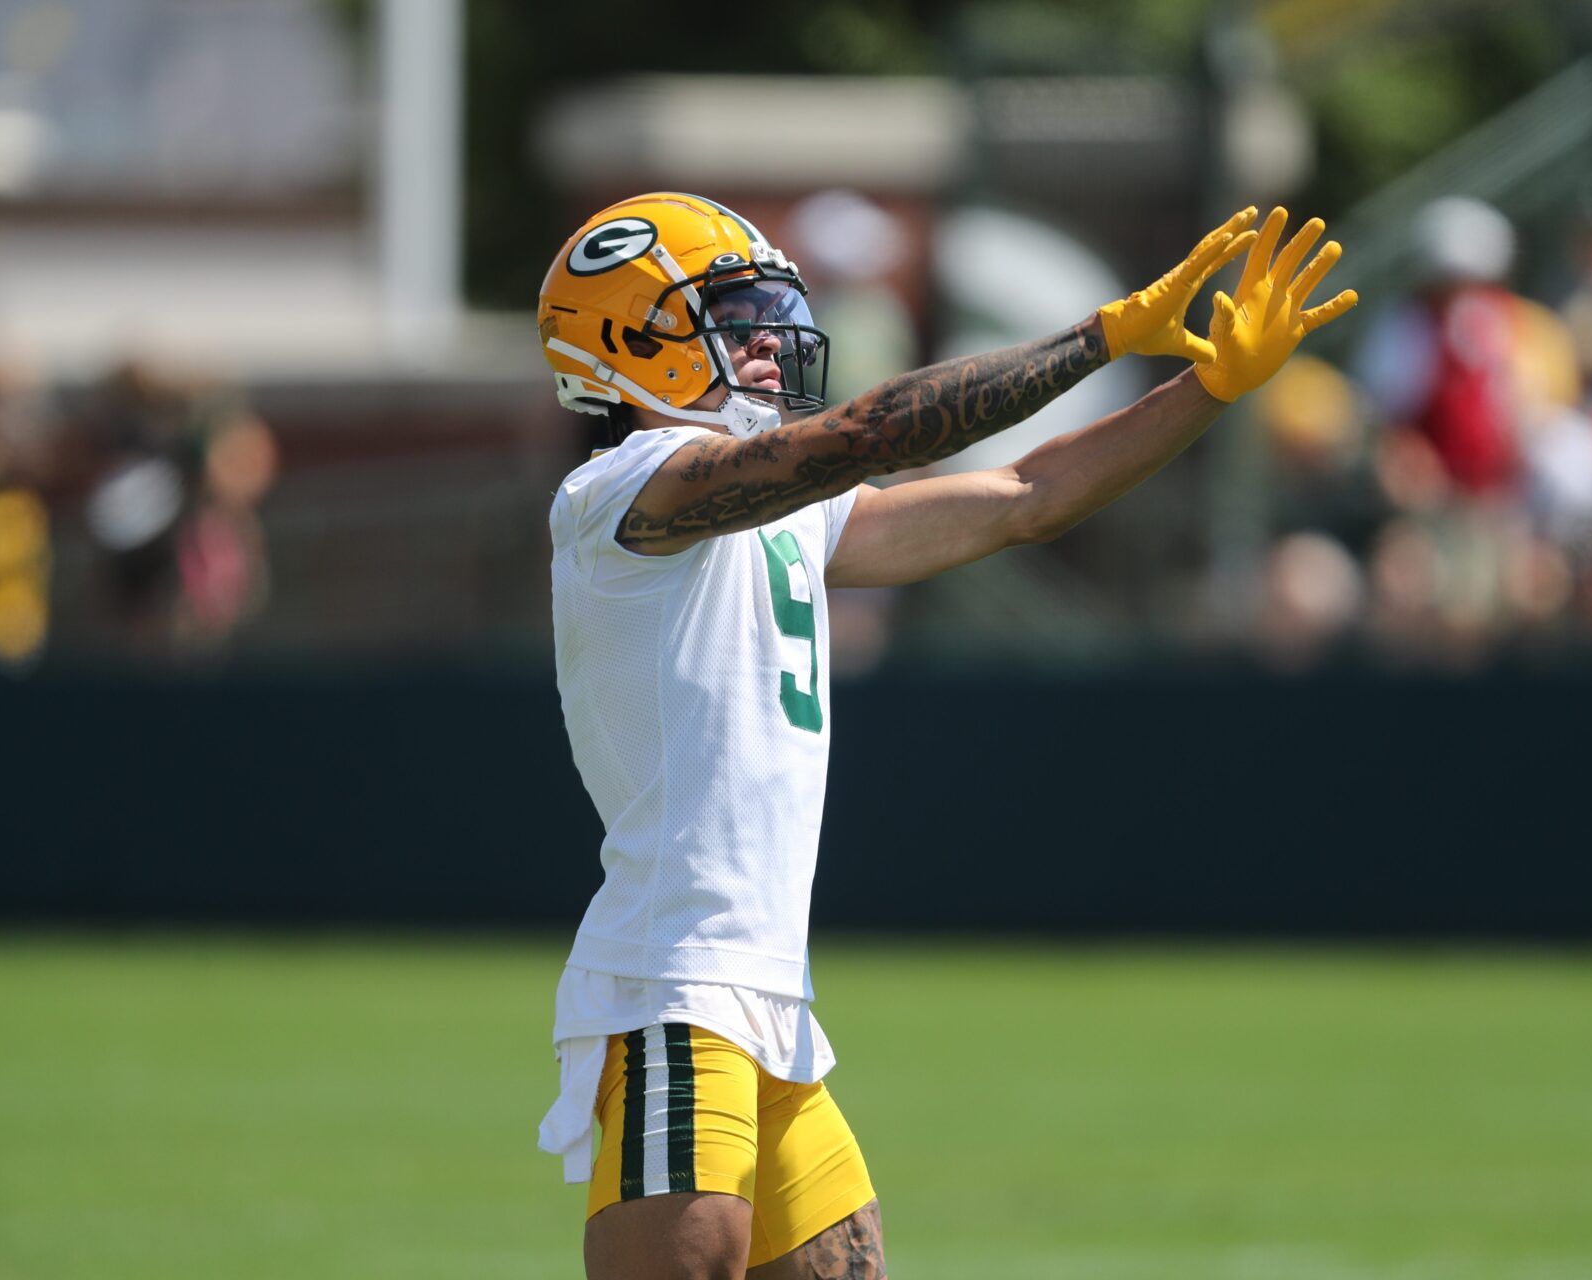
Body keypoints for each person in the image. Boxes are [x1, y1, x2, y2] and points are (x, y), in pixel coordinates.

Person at [535, 192, 1354, 1279]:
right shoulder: (618, 491)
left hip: (768, 999)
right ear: (627, 337)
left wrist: (1207, 387)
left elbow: (1027, 494)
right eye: (731, 316)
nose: (772, 342)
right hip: (674, 988)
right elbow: (872, 430)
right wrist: (1100, 334)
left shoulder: (778, 511)